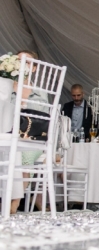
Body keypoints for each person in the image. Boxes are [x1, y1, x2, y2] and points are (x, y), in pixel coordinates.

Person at [8, 50, 50, 214]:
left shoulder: (40, 93)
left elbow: (45, 121)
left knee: (24, 155)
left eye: (28, 62)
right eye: (19, 61)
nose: (23, 65)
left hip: (33, 139)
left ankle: (14, 203)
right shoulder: (4, 88)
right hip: (8, 137)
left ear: (34, 68)